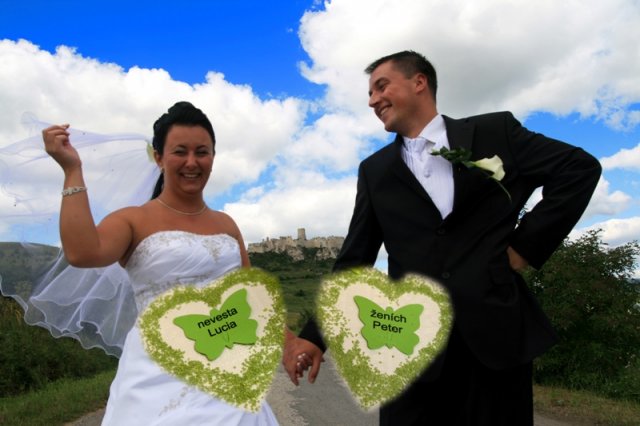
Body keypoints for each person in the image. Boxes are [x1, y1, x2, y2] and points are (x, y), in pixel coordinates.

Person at [283, 51, 601, 425]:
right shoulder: (375, 171)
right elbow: (355, 260)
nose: (372, 100)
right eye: (369, 94)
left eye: (381, 86)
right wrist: (315, 337)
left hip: (494, 338)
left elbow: (578, 169)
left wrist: (523, 248)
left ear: (419, 82)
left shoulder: (494, 132)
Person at [35, 102, 278, 424]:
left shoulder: (227, 224)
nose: (192, 162)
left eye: (202, 152)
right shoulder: (132, 220)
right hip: (157, 376)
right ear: (159, 157)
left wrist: (289, 344)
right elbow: (82, 253)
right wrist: (72, 170)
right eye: (180, 152)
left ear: (213, 157)